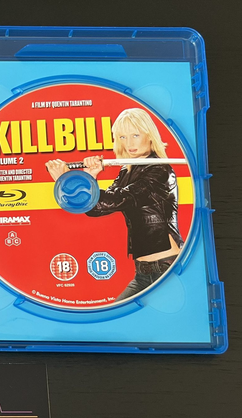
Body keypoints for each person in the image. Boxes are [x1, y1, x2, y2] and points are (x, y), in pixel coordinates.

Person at [45, 108, 183, 301]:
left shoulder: (158, 170)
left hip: (166, 269)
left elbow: (118, 199)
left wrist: (66, 180)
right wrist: (91, 176)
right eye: (123, 137)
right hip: (143, 273)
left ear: (150, 136)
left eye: (135, 135)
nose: (129, 143)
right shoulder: (127, 172)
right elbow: (96, 209)